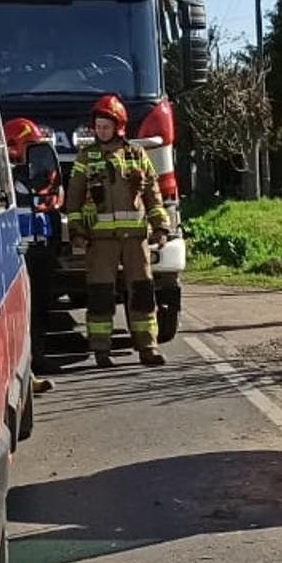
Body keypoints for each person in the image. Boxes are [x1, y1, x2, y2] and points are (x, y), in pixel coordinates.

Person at [66, 95, 172, 367]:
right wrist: (76, 232)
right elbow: (74, 198)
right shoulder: (86, 158)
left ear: (119, 126)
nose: (101, 131)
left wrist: (160, 227)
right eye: (98, 127)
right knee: (100, 294)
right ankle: (101, 350)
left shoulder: (137, 155)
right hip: (100, 242)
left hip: (136, 240)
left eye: (106, 126)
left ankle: (148, 347)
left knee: (143, 292)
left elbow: (153, 195)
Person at [5, 117, 58, 395]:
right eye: (31, 147)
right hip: (18, 255)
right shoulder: (6, 179)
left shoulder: (37, 177)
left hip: (39, 250)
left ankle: (36, 359)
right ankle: (27, 372)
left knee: (39, 310)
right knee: (21, 315)